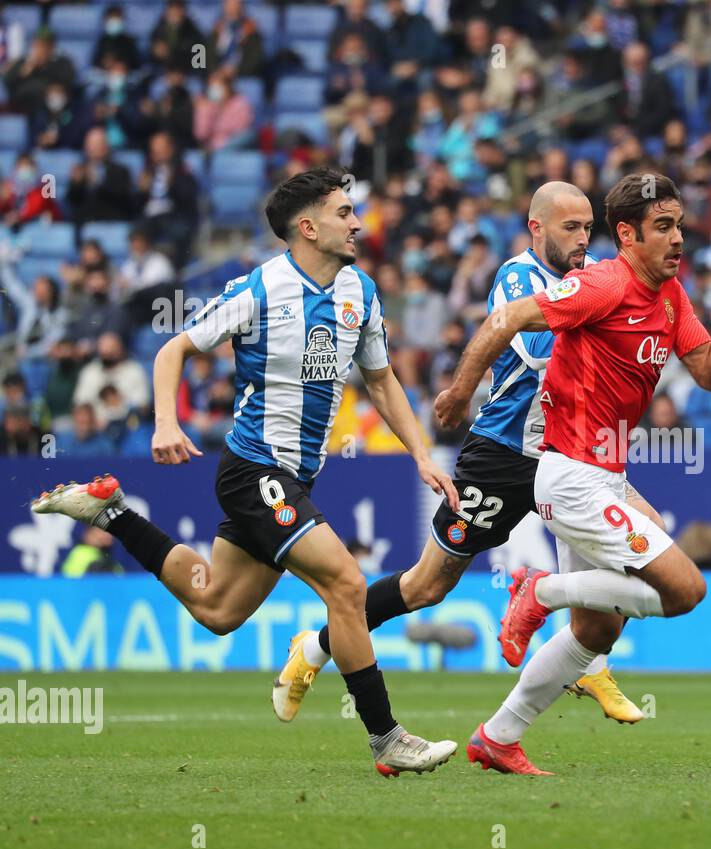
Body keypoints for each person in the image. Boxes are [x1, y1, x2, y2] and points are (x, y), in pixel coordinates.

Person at [32, 167, 462, 778]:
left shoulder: (360, 293)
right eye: (344, 213)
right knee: (345, 584)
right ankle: (386, 737)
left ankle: (111, 513)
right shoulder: (258, 289)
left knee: (217, 609)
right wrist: (164, 422)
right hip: (254, 467)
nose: (358, 223)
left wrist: (420, 452)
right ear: (307, 227)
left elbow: (381, 377)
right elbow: (172, 348)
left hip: (295, 478)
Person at [434, 172, 711, 775]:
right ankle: (538, 592)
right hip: (568, 478)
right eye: (662, 227)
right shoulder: (601, 285)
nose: (677, 240)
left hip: (605, 477)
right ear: (628, 234)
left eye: (680, 227)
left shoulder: (672, 296)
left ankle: (498, 736)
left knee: (596, 632)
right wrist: (461, 394)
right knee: (687, 590)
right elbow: (506, 317)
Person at [286, 182, 649, 729]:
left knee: (644, 546)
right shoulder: (518, 278)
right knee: (428, 585)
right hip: (504, 455)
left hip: (575, 455)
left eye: (587, 228)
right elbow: (542, 353)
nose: (582, 240)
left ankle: (589, 661)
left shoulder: (595, 276)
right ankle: (313, 648)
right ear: (537, 228)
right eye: (570, 228)